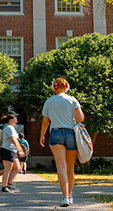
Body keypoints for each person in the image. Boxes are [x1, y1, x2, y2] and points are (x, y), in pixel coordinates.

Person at [39, 77, 83, 207]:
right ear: (66, 87)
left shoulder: (49, 101)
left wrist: (42, 136)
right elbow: (80, 118)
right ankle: (69, 195)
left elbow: (45, 122)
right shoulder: (72, 100)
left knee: (61, 166)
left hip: (56, 133)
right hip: (71, 133)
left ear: (54, 87)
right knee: (70, 167)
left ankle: (64, 198)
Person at [0, 114, 25, 194]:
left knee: (17, 168)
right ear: (10, 120)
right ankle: (4, 187)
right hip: (7, 150)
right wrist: (20, 150)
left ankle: (9, 184)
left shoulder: (10, 128)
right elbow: (13, 139)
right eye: (15, 119)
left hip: (11, 150)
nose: (17, 121)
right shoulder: (9, 128)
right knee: (7, 170)